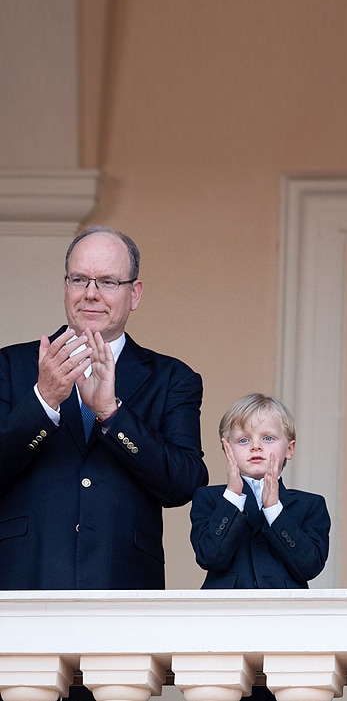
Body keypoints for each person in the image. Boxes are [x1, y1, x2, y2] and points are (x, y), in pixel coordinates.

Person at [0, 225, 208, 590]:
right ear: (66, 286)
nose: (91, 294)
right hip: (23, 582)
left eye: (108, 282)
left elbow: (184, 483)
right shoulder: (10, 366)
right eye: (80, 279)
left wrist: (113, 414)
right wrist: (43, 402)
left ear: (135, 293)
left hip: (123, 587)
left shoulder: (172, 378)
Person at [190, 393, 330, 588]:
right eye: (243, 440)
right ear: (226, 449)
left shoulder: (311, 505)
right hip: (226, 613)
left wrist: (274, 509)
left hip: (285, 613)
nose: (256, 446)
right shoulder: (208, 498)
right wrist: (232, 497)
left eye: (268, 438)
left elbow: (309, 567)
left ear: (289, 449)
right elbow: (210, 558)